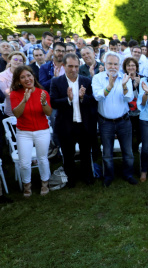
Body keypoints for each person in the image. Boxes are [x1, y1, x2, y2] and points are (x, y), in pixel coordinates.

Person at [50, 53, 97, 187]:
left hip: (84, 124)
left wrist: (83, 98)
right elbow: (53, 102)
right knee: (68, 154)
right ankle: (70, 179)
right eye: (70, 66)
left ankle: (87, 177)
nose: (74, 69)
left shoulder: (86, 81)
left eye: (76, 66)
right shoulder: (56, 82)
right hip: (66, 125)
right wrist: (68, 100)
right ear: (64, 66)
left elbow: (93, 101)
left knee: (86, 153)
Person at [92, 52, 137, 187]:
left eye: (115, 64)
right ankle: (109, 176)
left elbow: (129, 98)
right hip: (105, 122)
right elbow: (98, 97)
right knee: (107, 152)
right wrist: (109, 87)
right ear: (104, 64)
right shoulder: (98, 78)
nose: (113, 66)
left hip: (123, 120)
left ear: (119, 65)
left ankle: (128, 174)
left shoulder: (125, 78)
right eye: (110, 63)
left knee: (128, 151)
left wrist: (123, 85)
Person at [10, 66, 52, 197]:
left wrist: (44, 103)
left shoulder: (42, 92)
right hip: (24, 132)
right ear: (18, 81)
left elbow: (49, 113)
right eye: (22, 77)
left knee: (42, 159)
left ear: (33, 76)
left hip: (42, 131)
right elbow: (16, 114)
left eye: (28, 75)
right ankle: (27, 185)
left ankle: (45, 183)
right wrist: (24, 100)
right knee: (24, 163)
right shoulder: (15, 94)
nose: (27, 79)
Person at [122, 57, 143, 153]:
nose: (131, 67)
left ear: (136, 67)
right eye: (129, 65)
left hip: (140, 113)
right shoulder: (122, 79)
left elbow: (144, 95)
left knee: (139, 133)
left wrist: (138, 86)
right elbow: (125, 96)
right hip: (127, 112)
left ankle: (137, 148)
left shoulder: (142, 78)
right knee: (128, 134)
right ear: (125, 67)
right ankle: (129, 150)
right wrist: (133, 86)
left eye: (133, 65)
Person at [0, 51, 27, 117]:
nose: (18, 62)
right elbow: (6, 93)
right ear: (9, 61)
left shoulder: (27, 74)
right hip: (11, 111)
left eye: (20, 60)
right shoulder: (2, 75)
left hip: (27, 109)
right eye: (15, 59)